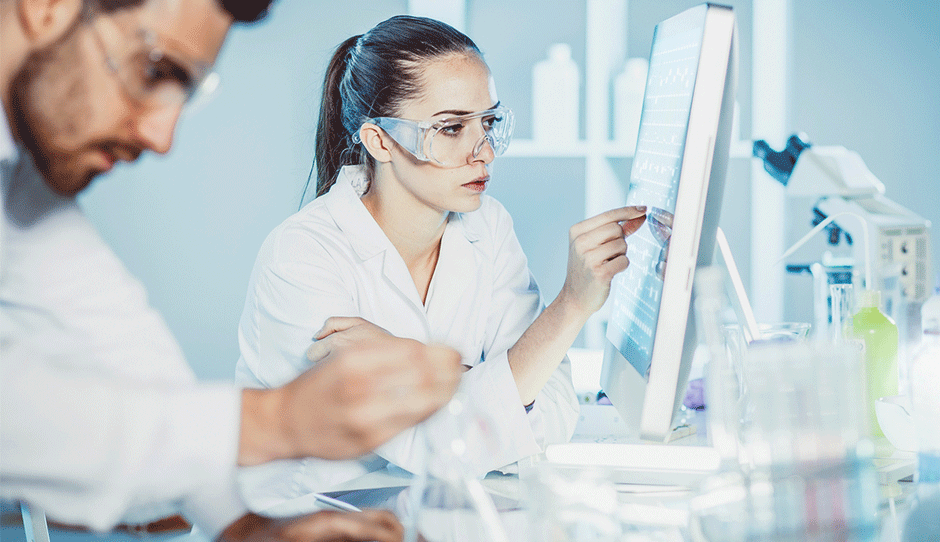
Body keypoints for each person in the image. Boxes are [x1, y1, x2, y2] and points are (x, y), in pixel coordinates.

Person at [0, 1, 463, 540]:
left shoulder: (19, 187)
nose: (161, 136)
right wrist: (273, 422)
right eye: (155, 70)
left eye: (186, 93)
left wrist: (244, 528)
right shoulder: (305, 246)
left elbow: (117, 346)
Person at [235, 15, 647, 508]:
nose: (485, 151)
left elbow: (550, 417)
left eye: (488, 123)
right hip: (297, 522)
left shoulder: (487, 227)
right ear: (380, 141)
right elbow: (438, 445)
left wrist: (405, 363)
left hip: (420, 514)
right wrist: (569, 309)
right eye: (451, 128)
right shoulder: (303, 256)